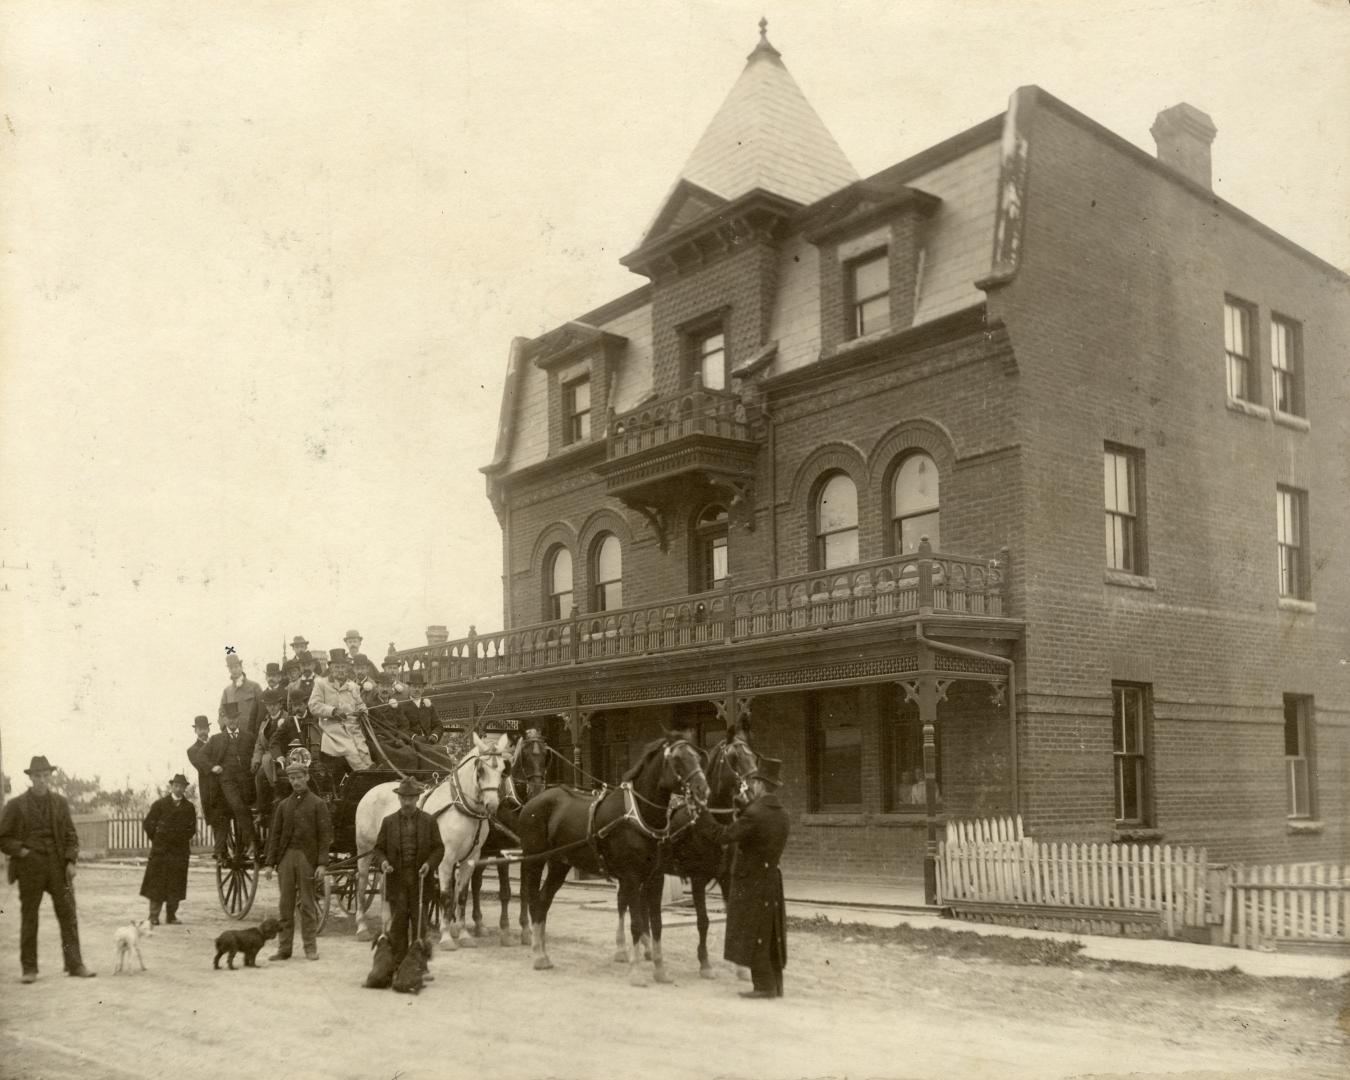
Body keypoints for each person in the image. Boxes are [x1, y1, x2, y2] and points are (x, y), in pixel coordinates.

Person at [0, 755, 96, 981]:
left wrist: (71, 861)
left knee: (68, 915)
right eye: (37, 776)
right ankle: (29, 969)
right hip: (29, 867)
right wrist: (22, 852)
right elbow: (3, 837)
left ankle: (75, 964)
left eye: (45, 776)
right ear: (30, 778)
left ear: (50, 777)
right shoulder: (16, 805)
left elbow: (71, 835)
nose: (41, 780)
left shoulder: (60, 803)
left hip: (57, 866)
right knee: (29, 916)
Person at [714, 755, 788, 999]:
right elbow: (756, 833)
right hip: (771, 879)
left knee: (753, 930)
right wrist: (745, 809)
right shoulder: (781, 814)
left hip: (752, 881)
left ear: (760, 785)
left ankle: (763, 987)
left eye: (754, 783)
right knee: (770, 932)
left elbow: (725, 835)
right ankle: (775, 984)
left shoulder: (755, 813)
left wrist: (701, 818)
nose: (752, 786)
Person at [263, 759, 333, 962]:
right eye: (292, 778)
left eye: (299, 778)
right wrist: (270, 863)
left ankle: (310, 948)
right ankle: (284, 949)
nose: (295, 782)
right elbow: (274, 837)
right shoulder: (284, 806)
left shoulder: (318, 804)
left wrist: (321, 863)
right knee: (285, 905)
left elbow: (324, 836)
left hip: (307, 859)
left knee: (308, 905)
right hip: (286, 859)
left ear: (307, 777)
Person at [371, 777, 444, 970]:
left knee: (420, 925)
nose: (407, 802)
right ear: (399, 798)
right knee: (399, 924)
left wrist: (429, 864)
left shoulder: (429, 822)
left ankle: (420, 965)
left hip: (420, 880)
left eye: (411, 798)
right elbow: (377, 850)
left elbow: (439, 848)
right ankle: (398, 963)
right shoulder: (389, 822)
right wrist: (384, 862)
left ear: (418, 798)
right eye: (403, 797)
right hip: (398, 880)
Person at [139, 774, 197, 926]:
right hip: (161, 850)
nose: (179, 789)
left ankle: (171, 916)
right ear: (172, 786)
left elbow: (192, 829)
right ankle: (153, 916)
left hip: (179, 851)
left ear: (185, 788)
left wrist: (180, 837)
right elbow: (148, 824)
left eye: (182, 786)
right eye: (176, 785)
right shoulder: (160, 804)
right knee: (157, 884)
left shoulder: (189, 807)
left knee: (176, 884)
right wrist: (158, 839)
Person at [308, 649, 373, 783]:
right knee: (350, 749)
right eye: (337, 667)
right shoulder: (321, 683)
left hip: (352, 726)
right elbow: (313, 705)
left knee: (363, 748)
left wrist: (363, 711)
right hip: (332, 728)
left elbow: (360, 704)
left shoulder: (353, 686)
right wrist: (332, 711)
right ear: (331, 668)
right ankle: (366, 776)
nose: (340, 670)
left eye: (343, 666)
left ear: (347, 667)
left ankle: (371, 772)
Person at [207, 702, 259, 859]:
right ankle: (252, 843)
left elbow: (256, 752)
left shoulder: (248, 737)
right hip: (226, 781)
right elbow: (200, 756)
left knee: (245, 808)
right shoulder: (216, 739)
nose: (232, 721)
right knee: (238, 806)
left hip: (245, 780)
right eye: (229, 718)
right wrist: (212, 767)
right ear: (224, 720)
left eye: (235, 718)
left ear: (239, 719)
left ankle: (249, 843)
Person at [219, 652, 262, 745]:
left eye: (236, 666)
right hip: (233, 738)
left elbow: (262, 710)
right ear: (229, 670)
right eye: (231, 668)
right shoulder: (227, 691)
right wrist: (225, 729)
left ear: (241, 666)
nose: (234, 670)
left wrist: (257, 731)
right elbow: (221, 713)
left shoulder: (254, 687)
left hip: (252, 735)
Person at [186, 714, 220, 830]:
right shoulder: (192, 750)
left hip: (224, 787)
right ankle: (220, 848)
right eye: (200, 729)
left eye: (205, 728)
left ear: (209, 729)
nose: (203, 732)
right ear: (195, 730)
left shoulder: (217, 743)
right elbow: (203, 767)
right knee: (216, 823)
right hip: (209, 790)